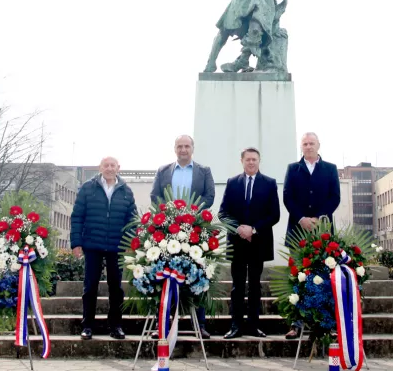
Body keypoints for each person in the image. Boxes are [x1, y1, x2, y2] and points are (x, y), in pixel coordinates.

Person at [149, 135, 216, 339]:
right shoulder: (163, 171)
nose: (183, 149)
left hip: (195, 228)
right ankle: (163, 325)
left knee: (199, 275)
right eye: (180, 146)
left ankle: (201, 324)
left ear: (192, 148)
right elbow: (155, 196)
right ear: (175, 149)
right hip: (168, 229)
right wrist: (170, 213)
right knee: (166, 276)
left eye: (187, 146)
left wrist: (192, 213)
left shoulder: (204, 171)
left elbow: (209, 196)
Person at [281, 132, 341, 339]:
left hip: (322, 230)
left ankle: (327, 324)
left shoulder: (330, 169)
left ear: (318, 145)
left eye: (311, 143)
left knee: (324, 276)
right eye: (305, 143)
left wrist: (318, 218)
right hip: (298, 230)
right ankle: (295, 325)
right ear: (301, 146)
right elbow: (287, 197)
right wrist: (302, 219)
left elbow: (335, 197)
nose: (308, 146)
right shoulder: (293, 169)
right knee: (297, 276)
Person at [71, 156, 137, 341]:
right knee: (90, 286)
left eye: (112, 165)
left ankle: (116, 326)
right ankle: (87, 326)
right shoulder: (87, 188)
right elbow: (77, 216)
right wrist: (76, 243)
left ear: (118, 168)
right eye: (106, 165)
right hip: (92, 244)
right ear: (100, 168)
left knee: (116, 288)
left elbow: (132, 220)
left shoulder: (126, 191)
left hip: (117, 246)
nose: (109, 168)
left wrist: (130, 242)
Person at [219, 148, 281, 339]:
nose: (251, 162)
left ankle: (254, 326)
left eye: (254, 159)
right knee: (237, 285)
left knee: (255, 285)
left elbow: (274, 214)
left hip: (258, 243)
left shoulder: (269, 184)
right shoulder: (232, 183)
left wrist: (252, 229)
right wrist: (240, 228)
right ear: (242, 161)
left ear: (259, 161)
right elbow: (223, 213)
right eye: (248, 159)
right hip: (237, 243)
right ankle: (235, 326)